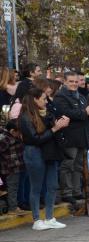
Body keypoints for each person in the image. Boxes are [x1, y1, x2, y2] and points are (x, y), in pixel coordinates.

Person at [18, 87, 70, 230]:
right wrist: (55, 129)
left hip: (50, 152)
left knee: (52, 185)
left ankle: (49, 217)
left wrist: (61, 124)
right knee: (36, 187)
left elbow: (54, 130)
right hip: (34, 152)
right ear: (35, 99)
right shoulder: (25, 116)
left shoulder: (48, 113)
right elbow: (34, 139)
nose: (46, 102)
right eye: (43, 98)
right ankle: (36, 219)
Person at [52, 71, 89, 204]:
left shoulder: (81, 97)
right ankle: (67, 193)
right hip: (69, 136)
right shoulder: (60, 96)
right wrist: (86, 112)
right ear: (64, 82)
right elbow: (66, 113)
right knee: (68, 165)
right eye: (71, 81)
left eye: (76, 81)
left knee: (79, 166)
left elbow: (85, 114)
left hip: (82, 136)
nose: (74, 84)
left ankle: (77, 191)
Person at [0, 119, 24, 214]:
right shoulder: (6, 139)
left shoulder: (9, 137)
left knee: (13, 187)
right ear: (12, 131)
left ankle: (14, 206)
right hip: (10, 168)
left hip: (14, 167)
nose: (20, 134)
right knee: (12, 188)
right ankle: (13, 208)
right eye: (19, 132)